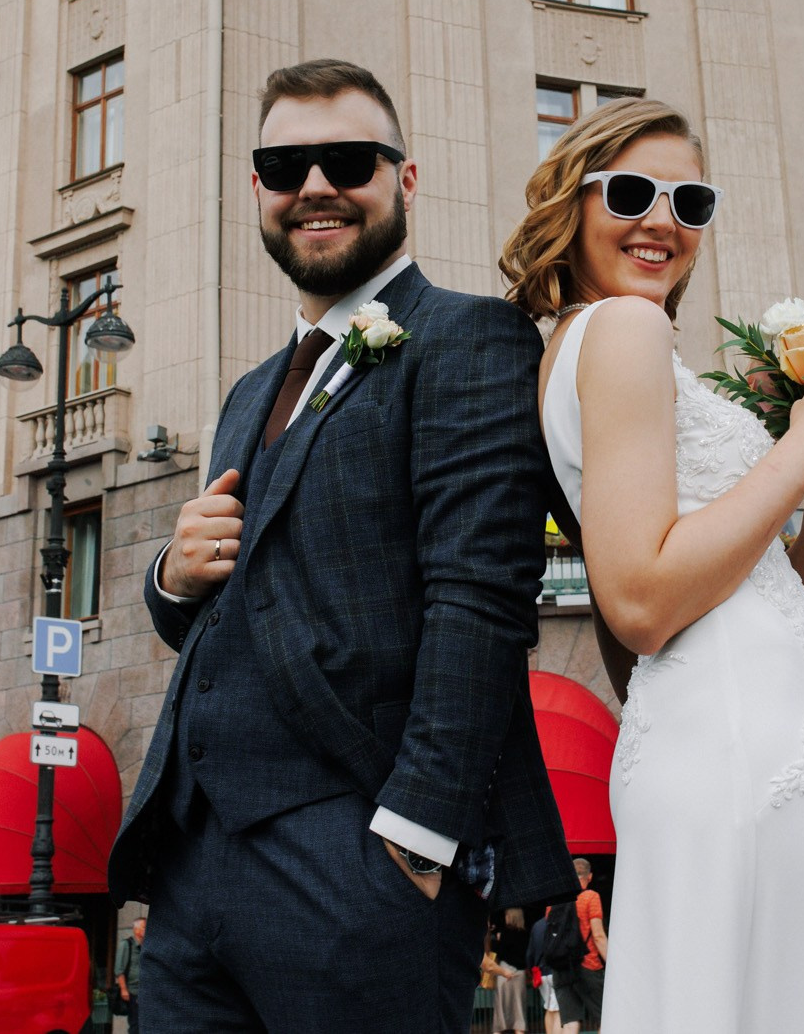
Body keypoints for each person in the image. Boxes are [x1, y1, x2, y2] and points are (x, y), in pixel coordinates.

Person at [107, 60, 578, 1033]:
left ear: (404, 180)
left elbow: (480, 602)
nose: (313, 185)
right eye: (285, 166)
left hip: (359, 868)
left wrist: (412, 842)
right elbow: (225, 606)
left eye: (347, 159)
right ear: (258, 193)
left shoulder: (469, 338)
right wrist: (169, 575)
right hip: (194, 879)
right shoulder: (244, 394)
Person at [502, 98, 804, 1033]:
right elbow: (640, 598)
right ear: (574, 201)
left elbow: (763, 583)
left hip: (750, 732)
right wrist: (802, 444)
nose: (663, 220)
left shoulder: (608, 343)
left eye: (691, 200)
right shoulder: (622, 331)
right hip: (730, 747)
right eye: (633, 191)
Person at [551, 859, 609, 1034]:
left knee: (570, 1023)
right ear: (589, 876)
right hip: (588, 965)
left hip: (561, 968)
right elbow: (598, 935)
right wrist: (613, 965)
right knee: (605, 1019)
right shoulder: (591, 897)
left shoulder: (556, 901)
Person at [489, 908, 532, 1034]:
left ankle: (498, 1031)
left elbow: (500, 951)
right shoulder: (526, 934)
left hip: (504, 972)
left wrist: (496, 940)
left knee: (500, 1009)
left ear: (511, 916)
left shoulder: (505, 933)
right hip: (520, 974)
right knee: (519, 1009)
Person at [114, 917, 146, 1034]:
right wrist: (123, 989)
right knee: (135, 1025)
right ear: (136, 929)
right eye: (144, 927)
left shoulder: (145, 947)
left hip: (144, 992)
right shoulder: (127, 944)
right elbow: (119, 969)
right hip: (132, 991)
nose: (146, 930)